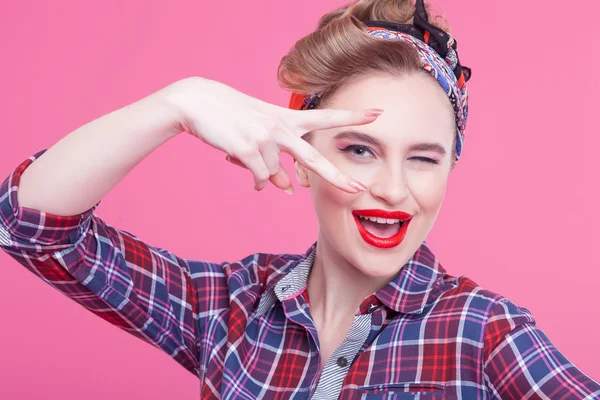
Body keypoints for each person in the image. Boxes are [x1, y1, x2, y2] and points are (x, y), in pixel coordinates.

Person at [1, 0, 598, 398]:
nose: (394, 190)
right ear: (304, 157)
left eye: (423, 158)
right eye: (359, 150)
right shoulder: (231, 311)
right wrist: (177, 103)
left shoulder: (484, 332)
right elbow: (30, 226)